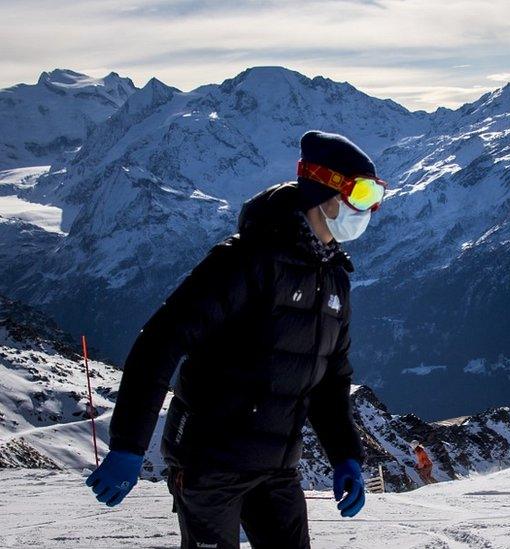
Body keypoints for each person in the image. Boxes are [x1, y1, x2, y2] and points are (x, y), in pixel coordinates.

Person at [84, 131, 387, 547]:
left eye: (378, 195)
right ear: (327, 190)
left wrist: (345, 455)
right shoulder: (245, 260)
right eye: (364, 192)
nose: (370, 207)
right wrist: (128, 445)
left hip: (277, 466)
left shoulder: (333, 278)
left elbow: (330, 380)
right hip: (210, 461)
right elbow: (161, 341)